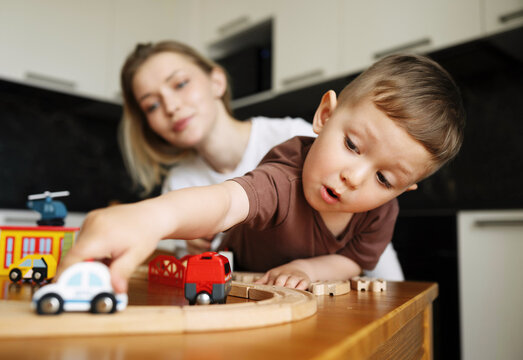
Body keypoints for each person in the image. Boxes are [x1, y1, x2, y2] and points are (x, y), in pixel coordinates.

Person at [59, 53, 464, 293]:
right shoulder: (286, 173)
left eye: (384, 180)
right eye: (352, 146)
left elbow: (356, 260)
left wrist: (309, 270)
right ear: (324, 117)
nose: (354, 177)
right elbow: (226, 201)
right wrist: (150, 216)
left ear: (403, 190)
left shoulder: (380, 211)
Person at [119, 40, 404, 280]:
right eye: (152, 105)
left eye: (180, 83)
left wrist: (400, 305)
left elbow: (370, 239)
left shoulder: (297, 138)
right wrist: (194, 248)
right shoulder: (179, 183)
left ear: (217, 81)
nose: (171, 106)